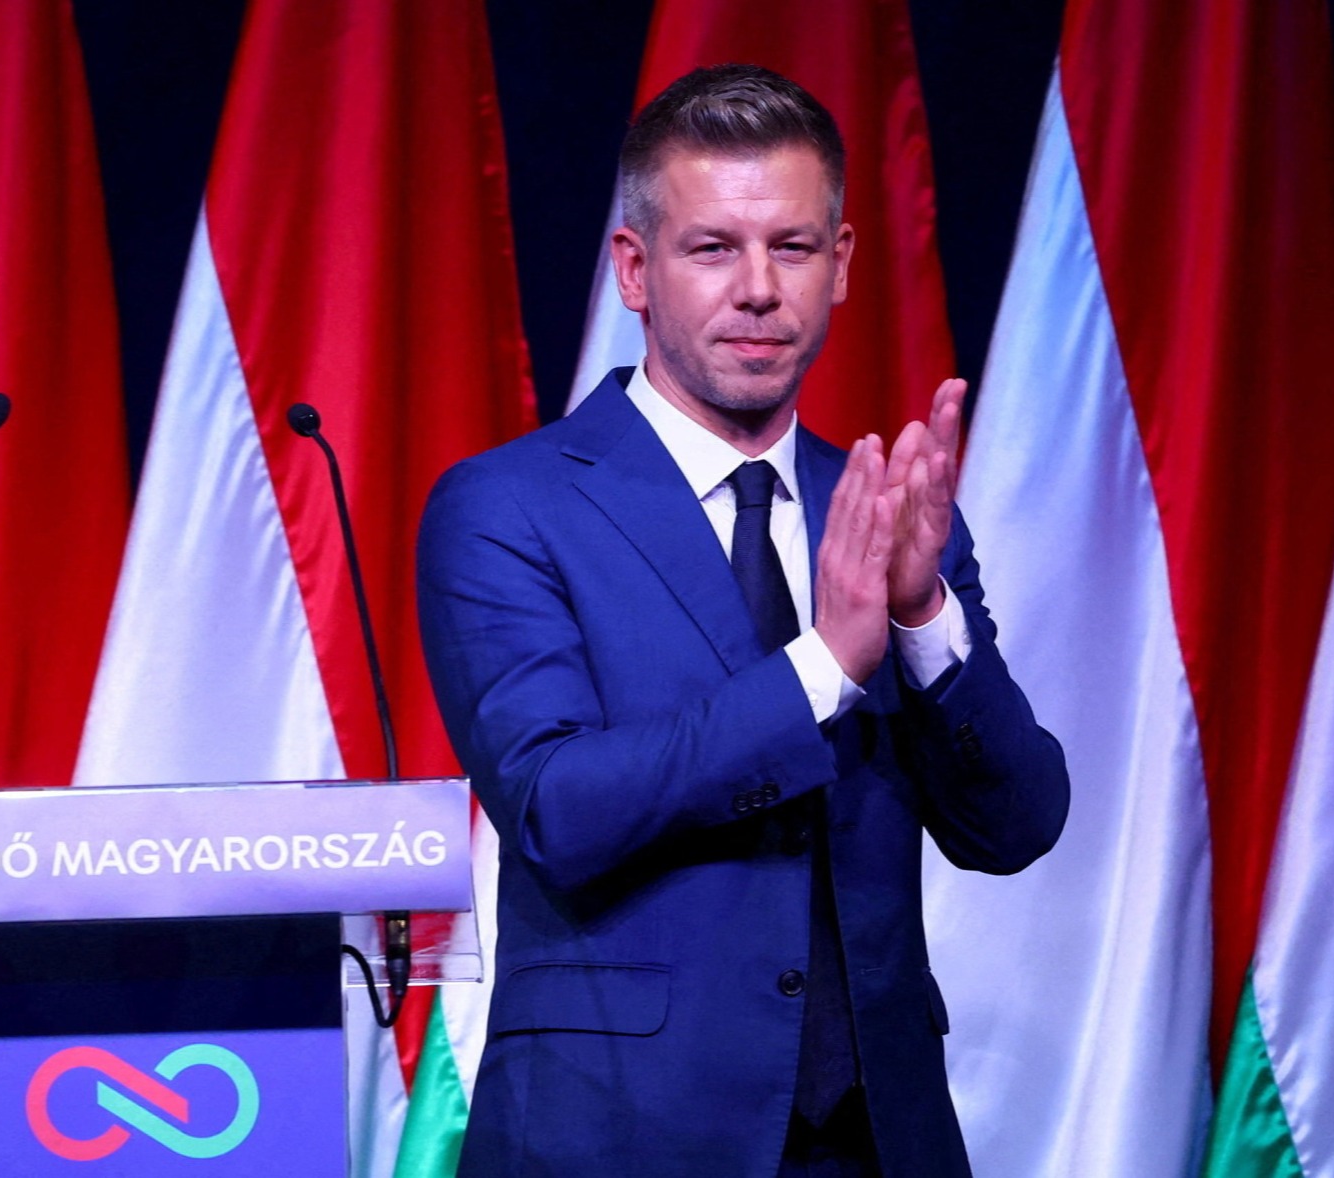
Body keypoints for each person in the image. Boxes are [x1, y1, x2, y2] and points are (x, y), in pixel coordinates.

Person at [416, 64, 1070, 1176]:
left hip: (876, 1142)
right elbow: (557, 806)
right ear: (636, 269)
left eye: (793, 247)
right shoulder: (508, 506)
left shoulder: (885, 513)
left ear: (842, 262)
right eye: (714, 248)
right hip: (616, 1139)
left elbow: (1016, 824)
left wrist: (920, 617)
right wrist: (825, 666)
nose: (760, 289)